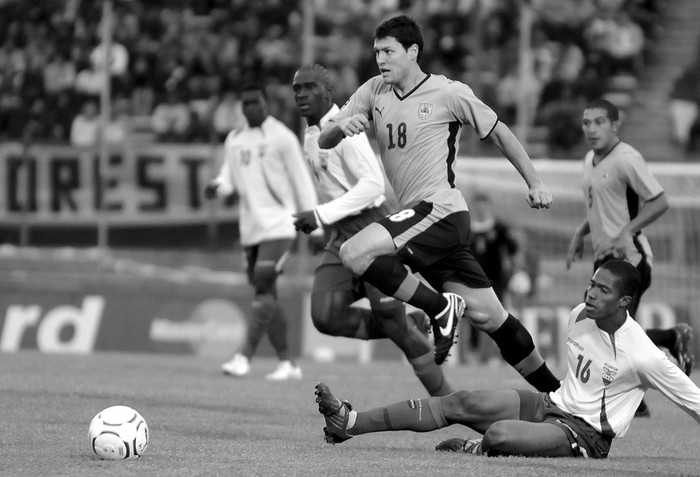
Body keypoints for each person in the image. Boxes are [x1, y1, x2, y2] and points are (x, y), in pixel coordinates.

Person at [317, 15, 560, 394]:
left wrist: (535, 181)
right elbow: (324, 139)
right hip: (421, 223)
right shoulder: (372, 90)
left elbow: (501, 134)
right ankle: (559, 395)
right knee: (490, 316)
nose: (380, 59)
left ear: (413, 52)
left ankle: (438, 308)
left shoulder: (449, 93)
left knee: (354, 252)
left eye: (388, 51)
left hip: (439, 210)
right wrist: (339, 128)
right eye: (377, 51)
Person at [314, 260, 700, 458]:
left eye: (602, 290)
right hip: (552, 405)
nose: (591, 293)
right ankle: (347, 422)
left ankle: (473, 449)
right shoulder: (579, 315)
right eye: (592, 284)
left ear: (625, 301)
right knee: (463, 401)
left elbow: (692, 400)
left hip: (583, 436)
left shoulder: (645, 356)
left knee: (498, 434)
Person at [291, 63, 452, 397]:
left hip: (372, 229)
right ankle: (416, 322)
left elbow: (373, 185)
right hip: (341, 235)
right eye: (297, 89)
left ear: (329, 92)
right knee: (325, 316)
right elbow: (334, 187)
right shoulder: (310, 134)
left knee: (394, 324)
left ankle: (448, 401)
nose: (302, 94)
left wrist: (320, 214)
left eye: (310, 87)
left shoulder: (343, 131)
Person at [566, 99, 694, 418]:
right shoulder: (589, 160)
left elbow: (660, 201)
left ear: (614, 125)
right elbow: (601, 206)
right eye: (586, 122)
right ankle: (670, 337)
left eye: (598, 122)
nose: (591, 129)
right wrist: (580, 234)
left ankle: (636, 402)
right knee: (614, 331)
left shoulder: (626, 159)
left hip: (630, 259)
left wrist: (628, 231)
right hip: (604, 261)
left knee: (615, 333)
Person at [204, 82, 317, 380]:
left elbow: (300, 179)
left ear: (267, 105)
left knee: (265, 281)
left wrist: (314, 219)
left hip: (281, 223)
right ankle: (288, 363)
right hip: (251, 228)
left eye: (257, 103)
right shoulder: (235, 139)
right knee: (265, 294)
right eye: (247, 103)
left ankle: (244, 357)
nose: (251, 108)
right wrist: (217, 187)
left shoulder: (282, 137)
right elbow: (228, 178)